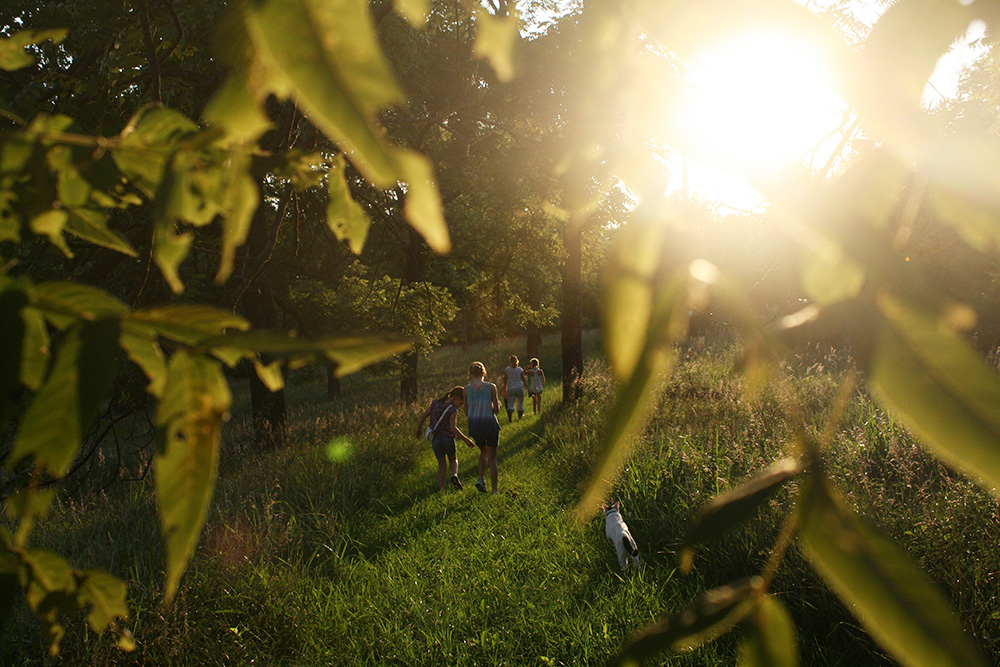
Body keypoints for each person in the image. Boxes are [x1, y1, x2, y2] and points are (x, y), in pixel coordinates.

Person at [415, 387, 475, 490]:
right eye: (461, 403)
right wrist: (466, 440)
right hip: (448, 439)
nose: (460, 406)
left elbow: (424, 415)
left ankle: (441, 488)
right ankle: (454, 475)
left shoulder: (435, 404)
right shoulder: (452, 410)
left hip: (435, 440)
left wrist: (419, 428)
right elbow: (453, 428)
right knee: (453, 460)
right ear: (456, 398)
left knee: (442, 465)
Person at [463, 361, 501, 493]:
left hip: (475, 426)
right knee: (492, 458)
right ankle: (495, 490)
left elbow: (466, 412)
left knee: (483, 451)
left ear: (470, 374)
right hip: (489, 424)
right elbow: (496, 409)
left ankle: (480, 478)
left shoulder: (466, 390)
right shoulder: (491, 387)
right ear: (484, 372)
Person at [500, 355, 526, 421]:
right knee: (520, 404)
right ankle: (519, 417)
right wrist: (528, 389)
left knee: (510, 404)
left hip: (510, 388)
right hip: (519, 388)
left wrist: (504, 389)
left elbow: (505, 380)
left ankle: (510, 418)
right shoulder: (520, 369)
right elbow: (523, 380)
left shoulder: (507, 370)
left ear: (510, 362)